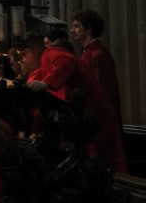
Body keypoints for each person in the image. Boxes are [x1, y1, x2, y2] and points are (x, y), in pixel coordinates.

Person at [27, 38, 127, 173]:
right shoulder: (46, 65)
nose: (24, 59)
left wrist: (46, 83)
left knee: (102, 162)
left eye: (25, 54)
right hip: (91, 111)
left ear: (35, 50)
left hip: (93, 111)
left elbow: (68, 61)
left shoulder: (50, 52)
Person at [71, 9, 122, 120]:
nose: (72, 30)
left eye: (77, 26)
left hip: (99, 117)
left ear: (89, 29)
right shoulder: (88, 52)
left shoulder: (98, 55)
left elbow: (104, 91)